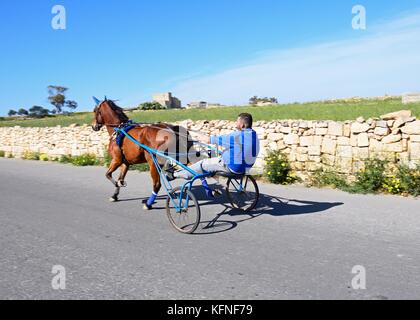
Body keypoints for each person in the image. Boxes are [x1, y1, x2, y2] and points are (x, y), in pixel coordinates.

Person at [166, 113, 260, 181]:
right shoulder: (254, 135)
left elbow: (211, 140)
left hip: (230, 166)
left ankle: (174, 174)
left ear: (242, 124)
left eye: (237, 122)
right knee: (216, 156)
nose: (236, 124)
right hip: (245, 168)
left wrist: (202, 137)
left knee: (201, 164)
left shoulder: (237, 136)